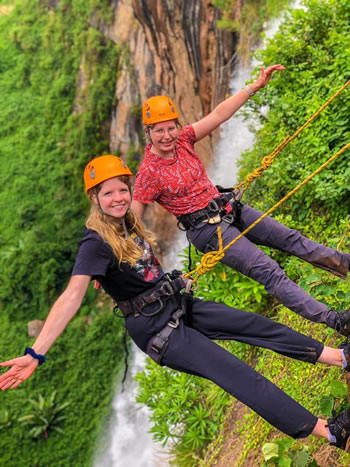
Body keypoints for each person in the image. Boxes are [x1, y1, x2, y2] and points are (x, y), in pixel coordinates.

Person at [1, 155, 350, 452]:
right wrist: (36, 353)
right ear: (94, 198)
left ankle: (341, 357)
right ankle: (331, 432)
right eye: (109, 193)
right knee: (239, 375)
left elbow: (142, 276)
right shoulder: (95, 243)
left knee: (257, 325)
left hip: (175, 303)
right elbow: (71, 297)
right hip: (159, 332)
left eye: (123, 188)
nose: (119, 197)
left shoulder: (128, 224)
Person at [131, 65, 350, 336]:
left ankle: (345, 263)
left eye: (171, 128)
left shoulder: (184, 140)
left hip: (227, 207)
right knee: (269, 272)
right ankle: (336, 321)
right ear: (148, 132)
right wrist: (113, 255)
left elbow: (220, 114)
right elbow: (132, 218)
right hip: (207, 230)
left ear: (178, 126)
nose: (167, 136)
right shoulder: (148, 173)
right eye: (159, 131)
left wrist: (254, 87)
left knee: (290, 238)